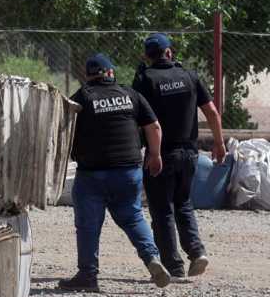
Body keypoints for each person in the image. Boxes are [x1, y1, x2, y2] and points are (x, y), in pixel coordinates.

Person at [58, 53, 171, 292]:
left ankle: (88, 276)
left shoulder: (82, 97)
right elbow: (154, 126)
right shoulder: (130, 94)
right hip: (128, 172)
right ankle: (152, 258)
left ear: (88, 76)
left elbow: (63, 128)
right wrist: (155, 155)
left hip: (92, 174)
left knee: (88, 225)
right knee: (133, 217)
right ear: (110, 73)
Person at [132, 33, 225, 279]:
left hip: (160, 154)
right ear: (169, 52)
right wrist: (219, 143)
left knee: (162, 209)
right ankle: (197, 252)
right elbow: (212, 112)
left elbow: (135, 118)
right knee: (183, 203)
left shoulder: (145, 79)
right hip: (190, 154)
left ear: (147, 56)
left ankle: (174, 267)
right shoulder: (189, 76)